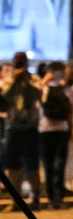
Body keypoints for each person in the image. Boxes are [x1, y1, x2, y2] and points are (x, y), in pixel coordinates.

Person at [0, 52, 43, 209]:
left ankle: (35, 198)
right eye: (18, 62)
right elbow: (5, 96)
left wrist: (26, 81)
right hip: (13, 126)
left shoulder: (34, 79)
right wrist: (15, 79)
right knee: (13, 166)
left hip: (30, 126)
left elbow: (38, 94)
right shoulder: (9, 80)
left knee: (33, 165)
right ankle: (17, 199)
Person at [39, 61, 71, 209]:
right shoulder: (63, 88)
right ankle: (57, 195)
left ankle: (53, 195)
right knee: (58, 163)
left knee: (49, 163)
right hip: (60, 129)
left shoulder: (46, 89)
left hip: (47, 130)